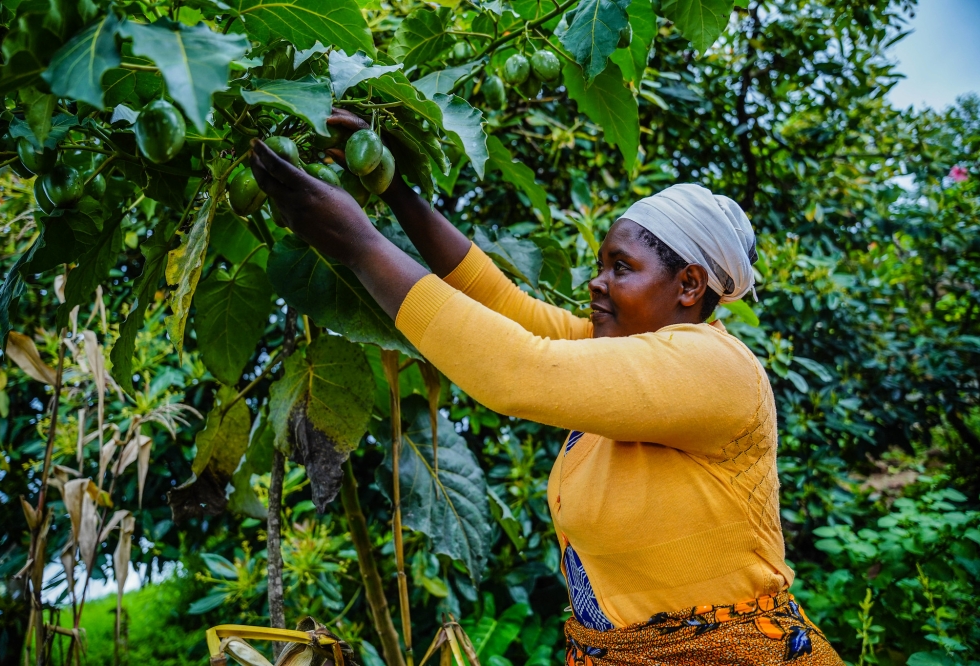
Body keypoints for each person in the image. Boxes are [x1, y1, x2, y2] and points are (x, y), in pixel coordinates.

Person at [249, 110, 844, 666]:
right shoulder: (616, 350)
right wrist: (391, 188)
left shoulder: (715, 367)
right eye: (600, 264)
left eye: (620, 267)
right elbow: (502, 303)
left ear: (689, 285)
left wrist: (358, 245)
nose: (596, 282)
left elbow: (518, 369)